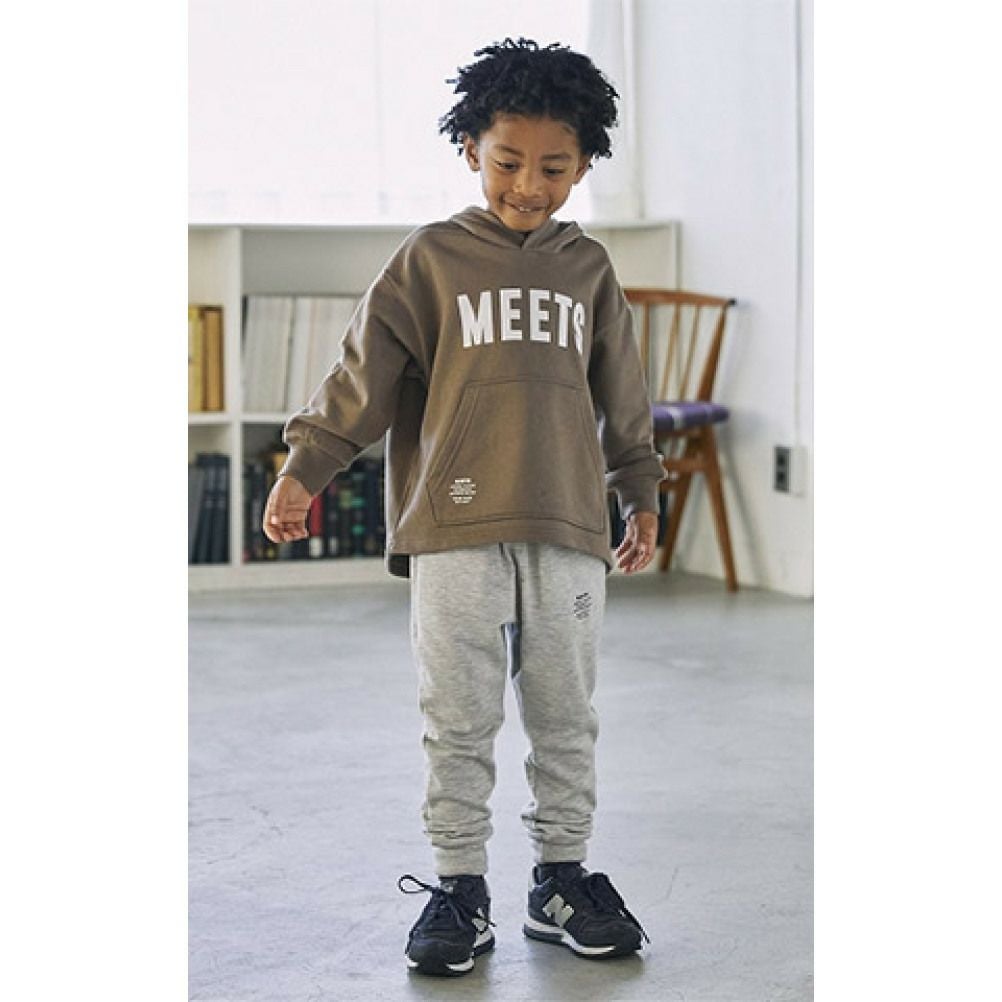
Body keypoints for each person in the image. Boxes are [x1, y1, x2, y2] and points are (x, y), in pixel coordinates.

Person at [263, 37, 662, 977]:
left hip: (566, 527)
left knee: (565, 714)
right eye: (508, 161)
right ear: (470, 150)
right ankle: (458, 889)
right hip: (454, 529)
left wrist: (639, 494)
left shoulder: (589, 268)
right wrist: (305, 466)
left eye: (554, 167)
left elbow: (625, 394)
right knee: (459, 716)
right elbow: (362, 375)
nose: (529, 185)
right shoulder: (431, 260)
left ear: (584, 165)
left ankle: (561, 879)